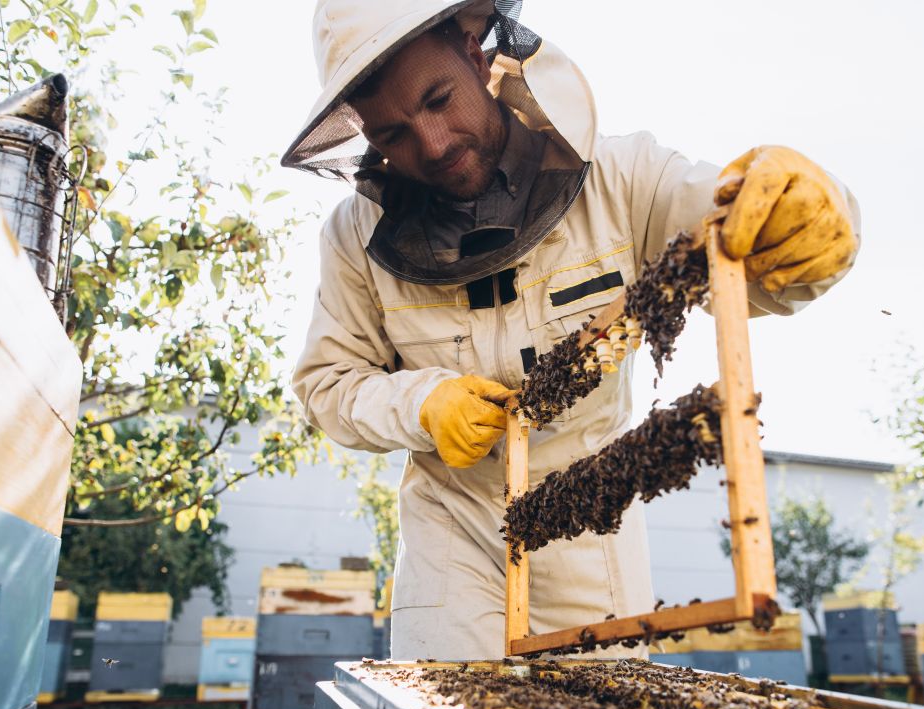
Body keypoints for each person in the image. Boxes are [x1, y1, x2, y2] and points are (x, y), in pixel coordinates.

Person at [287, 0, 860, 661]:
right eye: (394, 134)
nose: (433, 143)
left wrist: (812, 214)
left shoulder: (622, 181)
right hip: (453, 536)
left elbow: (741, 235)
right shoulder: (354, 239)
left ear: (476, 51)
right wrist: (421, 403)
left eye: (439, 98)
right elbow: (327, 386)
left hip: (590, 539)